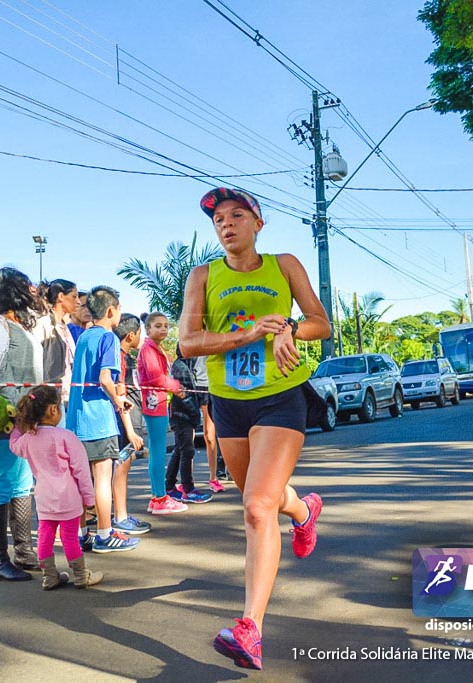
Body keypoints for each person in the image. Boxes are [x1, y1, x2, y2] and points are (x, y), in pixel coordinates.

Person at [180, 187, 331, 671]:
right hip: (229, 403)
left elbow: (320, 323)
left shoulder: (284, 265)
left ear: (258, 223)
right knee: (262, 499)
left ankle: (250, 628)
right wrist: (244, 334)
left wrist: (288, 327)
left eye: (237, 215)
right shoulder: (202, 276)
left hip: (281, 398)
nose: (226, 224)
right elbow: (186, 343)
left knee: (255, 507)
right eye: (218, 219)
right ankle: (303, 509)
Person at [0, 267, 44, 582]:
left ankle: (24, 551)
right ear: (16, 291)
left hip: (26, 419)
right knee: (3, 484)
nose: (33, 292)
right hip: (7, 420)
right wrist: (17, 408)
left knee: (21, 485)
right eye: (27, 287)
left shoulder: (20, 326)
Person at [65, 286, 140, 553]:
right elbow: (105, 379)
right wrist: (119, 401)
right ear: (111, 311)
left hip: (75, 421)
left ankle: (82, 533)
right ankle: (105, 534)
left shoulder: (84, 336)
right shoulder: (108, 338)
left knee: (80, 481)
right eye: (118, 309)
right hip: (98, 420)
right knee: (102, 479)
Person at [10, 385, 103, 590]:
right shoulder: (66, 437)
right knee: (69, 537)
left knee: (45, 536)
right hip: (68, 498)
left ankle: (49, 576)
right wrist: (89, 500)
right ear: (53, 410)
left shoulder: (28, 439)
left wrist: (16, 425)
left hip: (44, 499)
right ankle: (81, 575)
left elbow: (14, 445)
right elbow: (82, 473)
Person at [136, 312, 189, 515]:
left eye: (166, 326)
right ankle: (159, 498)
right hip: (154, 402)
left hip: (159, 403)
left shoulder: (156, 349)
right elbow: (157, 378)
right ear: (148, 329)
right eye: (158, 326)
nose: (164, 329)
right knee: (157, 452)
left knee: (158, 451)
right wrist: (177, 387)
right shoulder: (148, 349)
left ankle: (159, 496)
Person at [109, 313, 150, 537]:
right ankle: (120, 517)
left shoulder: (120, 354)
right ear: (131, 335)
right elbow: (119, 394)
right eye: (140, 333)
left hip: (115, 421)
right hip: (118, 422)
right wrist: (131, 430)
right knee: (121, 466)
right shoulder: (119, 357)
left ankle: (119, 515)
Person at [167, 345, 212, 504]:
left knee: (179, 450)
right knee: (187, 451)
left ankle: (170, 486)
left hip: (183, 414)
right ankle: (188, 489)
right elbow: (184, 396)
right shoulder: (181, 369)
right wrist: (194, 414)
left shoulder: (185, 367)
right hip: (182, 415)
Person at [36, 279, 78, 404]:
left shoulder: (64, 326)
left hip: (65, 396)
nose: (78, 301)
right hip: (48, 397)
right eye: (74, 296)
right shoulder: (43, 324)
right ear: (61, 296)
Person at [192, 355, 226, 491]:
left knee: (210, 435)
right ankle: (187, 482)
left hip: (211, 385)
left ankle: (214, 477)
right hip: (193, 385)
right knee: (188, 438)